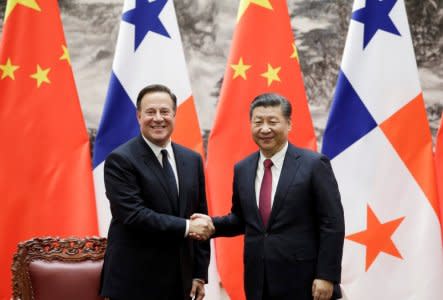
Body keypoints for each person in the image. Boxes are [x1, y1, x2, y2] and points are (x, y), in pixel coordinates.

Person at [193, 93, 345, 300]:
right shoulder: (243, 168)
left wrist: (326, 275)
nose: (265, 129)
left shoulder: (314, 165)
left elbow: (332, 223)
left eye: (273, 122)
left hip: (304, 281)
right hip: (258, 281)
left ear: (289, 124)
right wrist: (211, 224)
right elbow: (241, 219)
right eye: (258, 122)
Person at [99, 84, 213, 300]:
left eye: (165, 111)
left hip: (181, 282)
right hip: (134, 282)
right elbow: (133, 215)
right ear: (139, 116)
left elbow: (200, 215)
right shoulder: (120, 160)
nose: (158, 118)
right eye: (150, 112)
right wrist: (188, 227)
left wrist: (199, 274)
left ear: (174, 115)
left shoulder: (192, 160)